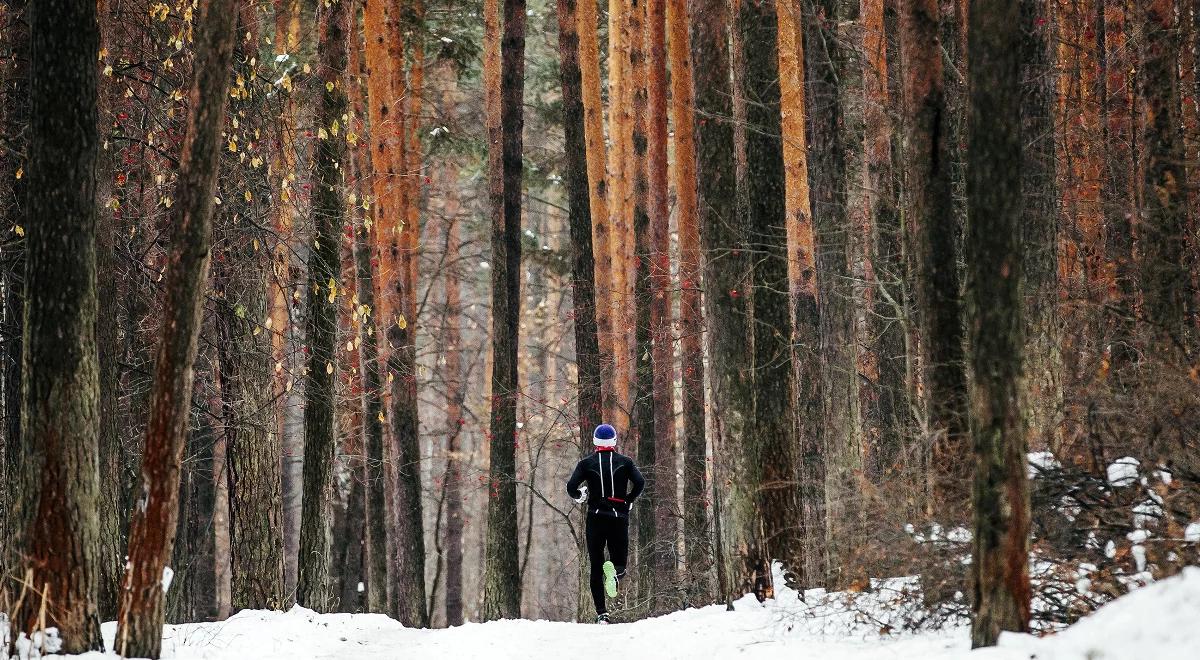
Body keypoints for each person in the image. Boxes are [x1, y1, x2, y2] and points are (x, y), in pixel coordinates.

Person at [565, 423, 645, 624]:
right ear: (614, 441)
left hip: (596, 518)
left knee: (595, 566)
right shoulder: (625, 462)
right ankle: (616, 574)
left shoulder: (586, 464)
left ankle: (602, 614)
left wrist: (579, 496)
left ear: (594, 441)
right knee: (620, 562)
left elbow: (571, 487)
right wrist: (629, 499)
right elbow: (640, 482)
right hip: (619, 517)